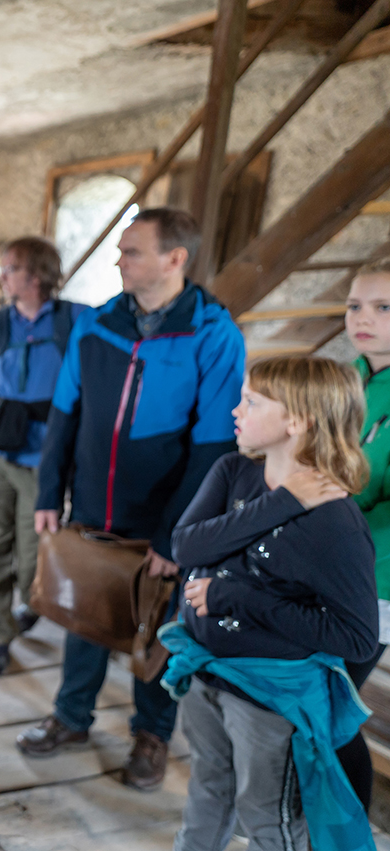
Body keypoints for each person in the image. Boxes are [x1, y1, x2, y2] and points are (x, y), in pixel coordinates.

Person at [16, 207, 245, 792]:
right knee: (85, 612)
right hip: (94, 504)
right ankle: (71, 717)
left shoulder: (215, 334)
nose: (119, 260)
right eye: (121, 250)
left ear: (176, 259)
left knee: (159, 631)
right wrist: (49, 490)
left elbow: (215, 445)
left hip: (162, 519)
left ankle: (151, 734)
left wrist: (177, 533)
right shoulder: (95, 325)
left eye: (132, 251)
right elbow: (66, 411)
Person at [168, 355, 377, 851]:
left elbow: (356, 636)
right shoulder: (233, 471)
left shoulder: (336, 522)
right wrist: (283, 501)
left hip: (268, 695)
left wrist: (233, 597)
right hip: (205, 672)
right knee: (207, 792)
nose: (235, 411)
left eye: (251, 401)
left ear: (297, 420)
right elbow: (186, 547)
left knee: (266, 816)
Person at [0, 236, 85, 675]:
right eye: (2, 269)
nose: (2, 276)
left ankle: (34, 603)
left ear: (37, 274)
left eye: (10, 268)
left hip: (43, 456)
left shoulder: (75, 320)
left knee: (33, 553)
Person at [342, 261, 390, 811]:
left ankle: (343, 830)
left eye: (382, 308)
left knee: (331, 707)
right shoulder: (349, 376)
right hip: (325, 565)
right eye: (355, 305)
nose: (363, 318)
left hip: (374, 579)